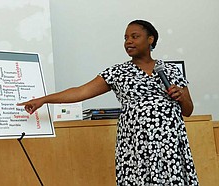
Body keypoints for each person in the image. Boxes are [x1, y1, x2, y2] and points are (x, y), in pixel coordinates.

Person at [17, 20, 199, 185]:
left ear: (150, 39)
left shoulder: (171, 70)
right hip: (136, 144)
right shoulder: (117, 72)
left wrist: (182, 97)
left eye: (135, 36)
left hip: (170, 143)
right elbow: (81, 92)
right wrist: (43, 100)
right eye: (126, 38)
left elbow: (188, 110)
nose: (128, 41)